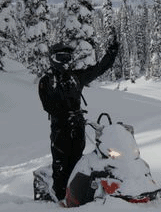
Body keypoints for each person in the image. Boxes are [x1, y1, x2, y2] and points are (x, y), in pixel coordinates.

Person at [38, 39, 120, 202]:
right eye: (62, 57)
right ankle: (60, 198)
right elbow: (47, 105)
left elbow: (98, 69)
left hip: (77, 126)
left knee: (78, 162)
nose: (65, 61)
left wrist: (111, 53)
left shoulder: (75, 77)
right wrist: (64, 115)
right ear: (53, 58)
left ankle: (76, 196)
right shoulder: (46, 81)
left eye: (68, 57)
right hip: (60, 128)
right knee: (61, 164)